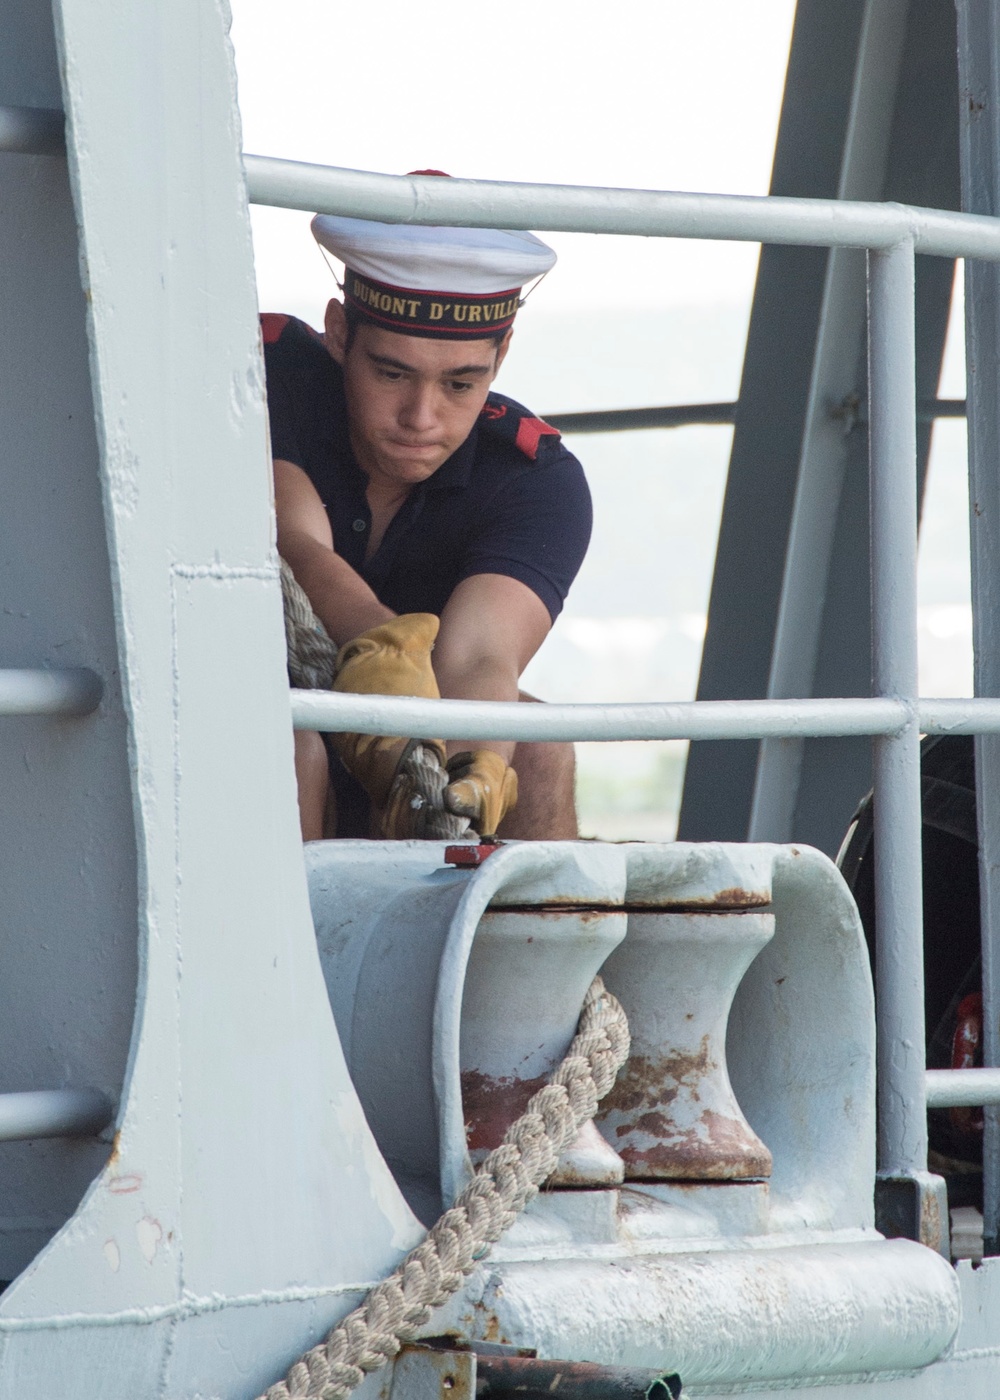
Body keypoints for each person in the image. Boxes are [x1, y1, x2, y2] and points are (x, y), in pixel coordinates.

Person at [263, 188, 592, 842]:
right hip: (270, 709)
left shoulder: (535, 481)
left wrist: (473, 775)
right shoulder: (269, 379)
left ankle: (508, 944)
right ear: (338, 333)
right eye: (391, 374)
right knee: (289, 748)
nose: (421, 417)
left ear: (501, 357)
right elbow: (295, 544)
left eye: (460, 384)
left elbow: (477, 657)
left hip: (422, 731)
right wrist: (385, 651)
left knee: (542, 750)